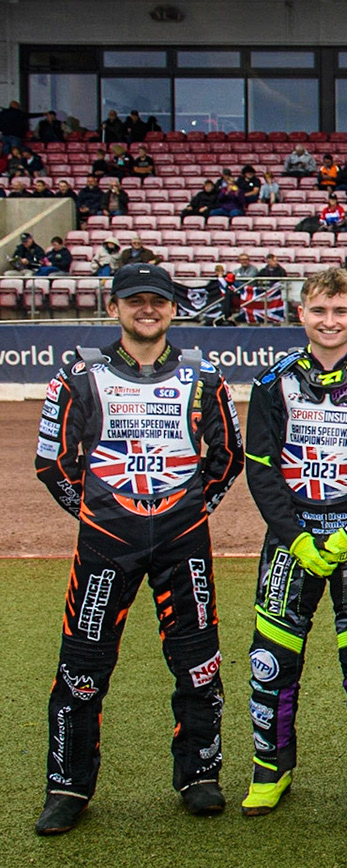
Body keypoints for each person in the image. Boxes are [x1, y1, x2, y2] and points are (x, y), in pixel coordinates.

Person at [29, 264, 241, 836]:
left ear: (174, 308)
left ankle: (200, 775)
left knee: (200, 665)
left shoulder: (204, 376)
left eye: (158, 301)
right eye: (135, 301)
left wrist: (188, 512)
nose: (147, 310)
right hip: (104, 546)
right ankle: (67, 787)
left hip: (184, 542)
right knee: (81, 668)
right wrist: (97, 516)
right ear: (115, 306)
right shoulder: (79, 377)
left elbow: (226, 461)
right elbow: (52, 463)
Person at [236, 269, 347, 815]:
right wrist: (296, 537)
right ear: (301, 314)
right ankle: (270, 771)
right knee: (271, 660)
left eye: (342, 311)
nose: (331, 322)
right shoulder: (271, 382)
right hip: (292, 541)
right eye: (320, 311)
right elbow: (260, 470)